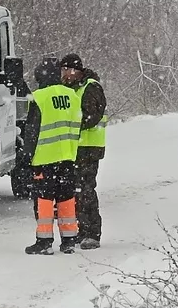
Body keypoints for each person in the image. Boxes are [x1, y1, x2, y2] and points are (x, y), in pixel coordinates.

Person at [20, 57, 83, 255]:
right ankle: (69, 239)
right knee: (66, 198)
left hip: (45, 158)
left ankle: (44, 242)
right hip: (68, 156)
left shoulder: (39, 97)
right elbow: (78, 125)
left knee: (44, 200)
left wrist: (26, 158)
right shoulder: (72, 95)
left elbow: (32, 131)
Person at [61, 53, 107, 250]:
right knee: (76, 191)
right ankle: (82, 230)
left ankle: (92, 234)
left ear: (76, 70)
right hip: (75, 148)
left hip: (89, 148)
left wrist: (71, 126)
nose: (64, 75)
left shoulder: (90, 87)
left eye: (67, 71)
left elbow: (91, 117)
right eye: (62, 71)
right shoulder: (72, 88)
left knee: (85, 190)